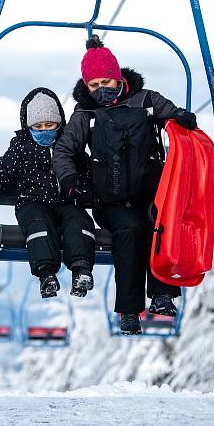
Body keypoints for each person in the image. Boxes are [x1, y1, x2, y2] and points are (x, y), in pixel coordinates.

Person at [53, 36, 197, 335]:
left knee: (162, 224)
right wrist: (70, 181)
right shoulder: (86, 116)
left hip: (152, 192)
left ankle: (162, 294)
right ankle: (130, 310)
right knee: (130, 232)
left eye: (106, 81)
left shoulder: (145, 101)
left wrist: (180, 117)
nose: (101, 89)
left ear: (118, 77)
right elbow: (64, 150)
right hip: (112, 201)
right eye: (94, 85)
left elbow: (170, 114)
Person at [0, 88, 96, 299]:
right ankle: (46, 273)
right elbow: (5, 169)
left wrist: (88, 188)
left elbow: (87, 170)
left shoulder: (68, 144)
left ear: (59, 125)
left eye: (49, 125)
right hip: (32, 202)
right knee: (39, 225)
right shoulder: (21, 148)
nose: (44, 130)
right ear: (28, 126)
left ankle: (81, 269)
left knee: (78, 220)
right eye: (38, 127)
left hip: (66, 200)